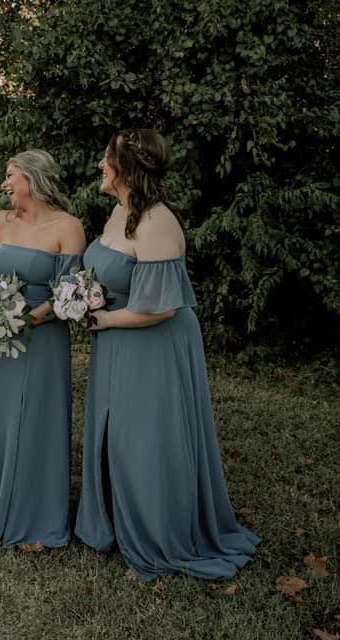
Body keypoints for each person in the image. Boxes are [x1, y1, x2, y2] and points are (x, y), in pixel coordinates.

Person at [75, 129, 258, 580]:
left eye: (106, 158)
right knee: (116, 434)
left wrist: (103, 320)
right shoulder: (120, 212)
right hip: (118, 340)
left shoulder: (158, 223)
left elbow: (160, 307)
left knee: (146, 438)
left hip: (152, 345)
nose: (100, 164)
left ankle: (159, 533)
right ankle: (117, 520)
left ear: (126, 169)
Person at [0, 150, 86, 548]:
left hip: (40, 339)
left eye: (10, 175)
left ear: (32, 178)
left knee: (35, 417)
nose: (5, 183)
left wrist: (25, 319)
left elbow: (69, 292)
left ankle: (32, 509)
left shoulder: (68, 226)